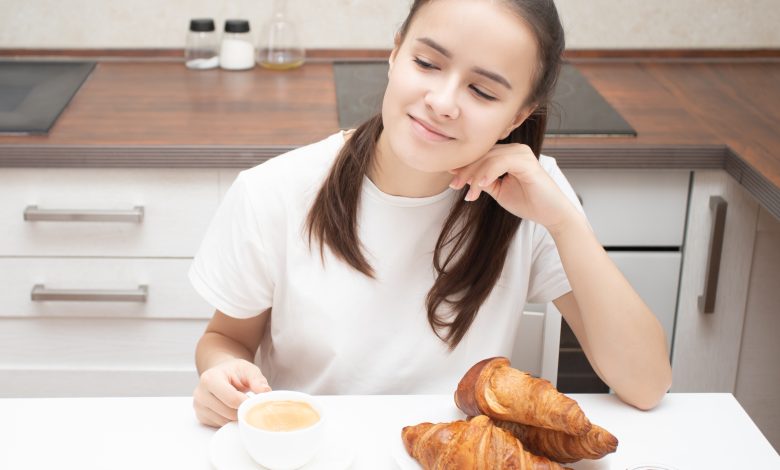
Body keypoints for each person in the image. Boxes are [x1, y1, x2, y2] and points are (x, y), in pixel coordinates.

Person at [190, 0, 672, 428]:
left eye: (482, 92)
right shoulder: (273, 191)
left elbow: (646, 385)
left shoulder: (534, 197)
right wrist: (222, 374)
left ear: (519, 117)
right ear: (395, 53)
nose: (442, 102)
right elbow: (225, 339)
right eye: (426, 63)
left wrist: (565, 224)